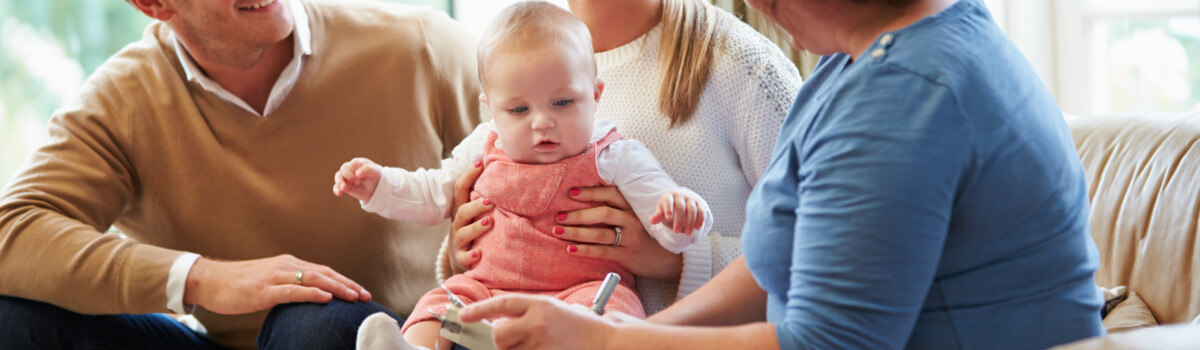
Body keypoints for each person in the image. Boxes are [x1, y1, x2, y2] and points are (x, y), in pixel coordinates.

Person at [452, 0, 1107, 349]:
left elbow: (827, 346)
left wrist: (610, 347)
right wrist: (631, 334)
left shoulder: (903, 93)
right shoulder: (857, 64)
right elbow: (781, 264)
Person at [0, 0, 481, 348]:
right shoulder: (122, 101)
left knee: (308, 324)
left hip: (406, 337)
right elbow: (11, 232)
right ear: (152, 3)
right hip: (228, 344)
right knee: (13, 318)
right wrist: (202, 278)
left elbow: (549, 168)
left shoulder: (423, 48)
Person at [337, 3, 712, 349]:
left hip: (579, 294)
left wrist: (681, 213)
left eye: (563, 103)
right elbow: (433, 191)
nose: (542, 122)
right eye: (518, 109)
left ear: (596, 96)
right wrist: (381, 185)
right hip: (485, 293)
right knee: (441, 303)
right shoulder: (484, 146)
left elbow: (664, 216)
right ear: (492, 111)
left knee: (614, 309)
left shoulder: (613, 154)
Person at [443, 0, 803, 315]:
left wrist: (679, 262)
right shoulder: (517, 60)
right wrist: (464, 255)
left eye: (564, 102)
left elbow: (830, 256)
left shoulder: (743, 66)